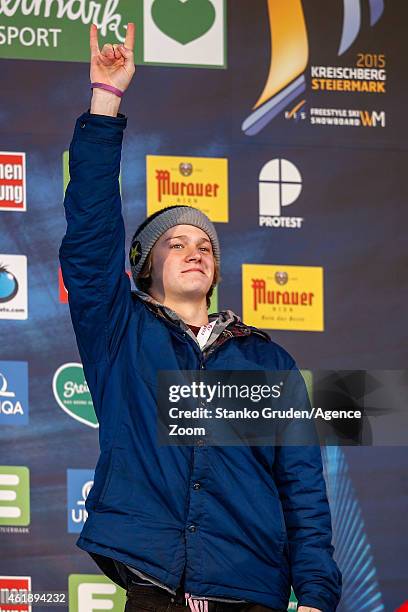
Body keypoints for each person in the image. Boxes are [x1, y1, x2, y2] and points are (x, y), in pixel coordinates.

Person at [59, 22, 342, 612]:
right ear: (143, 266)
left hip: (250, 590)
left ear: (214, 271)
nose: (194, 250)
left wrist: (315, 594)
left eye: (205, 245)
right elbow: (90, 240)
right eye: (175, 242)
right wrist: (105, 101)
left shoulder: (267, 360)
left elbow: (303, 491)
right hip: (154, 585)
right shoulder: (121, 335)